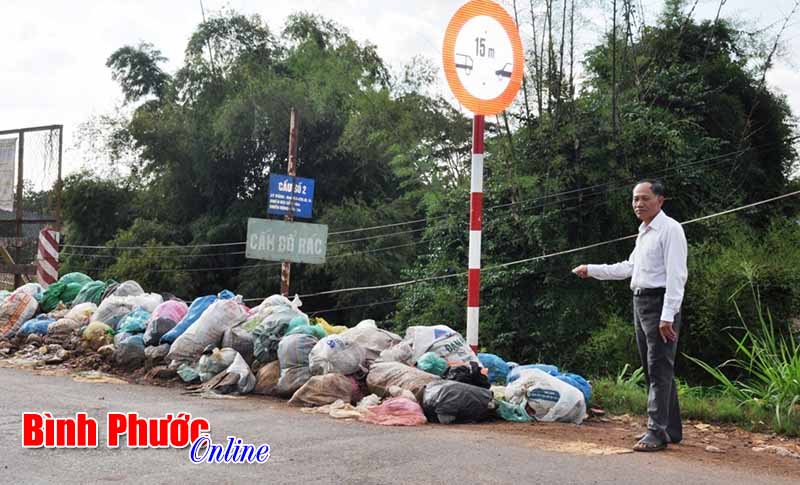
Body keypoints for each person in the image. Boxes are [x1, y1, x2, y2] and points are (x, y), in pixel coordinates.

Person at [572, 179, 687, 452]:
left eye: (645, 198)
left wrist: (668, 315)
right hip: (641, 303)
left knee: (659, 368)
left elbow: (676, 276)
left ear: (660, 200)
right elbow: (628, 268)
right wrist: (592, 269)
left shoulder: (670, 230)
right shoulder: (644, 232)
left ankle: (655, 432)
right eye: (635, 199)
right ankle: (671, 428)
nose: (638, 204)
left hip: (660, 305)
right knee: (654, 369)